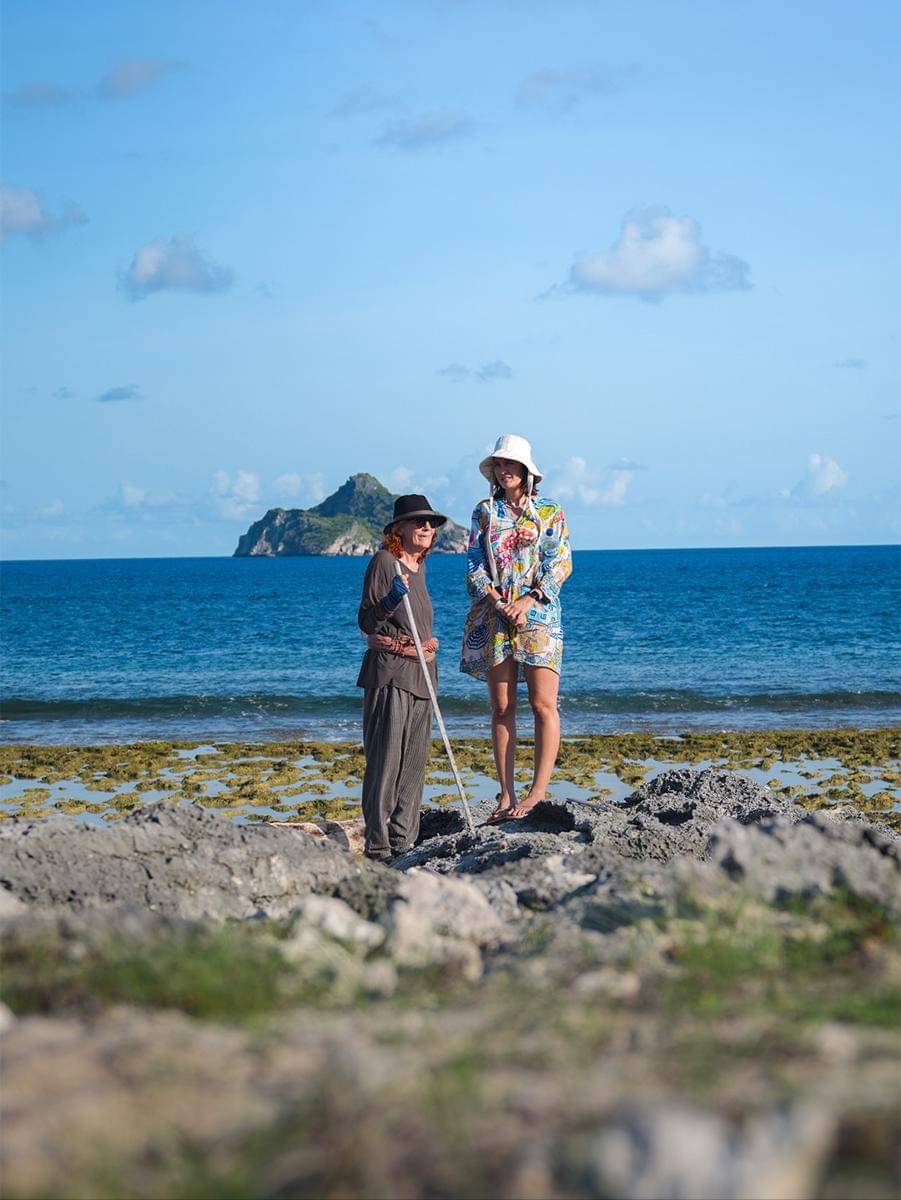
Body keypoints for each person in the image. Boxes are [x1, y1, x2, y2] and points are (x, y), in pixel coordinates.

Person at [460, 434, 572, 822]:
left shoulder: (550, 511)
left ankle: (537, 794)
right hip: (494, 617)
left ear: (526, 470)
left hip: (539, 617)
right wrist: (498, 602)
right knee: (502, 707)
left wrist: (526, 602)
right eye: (499, 464)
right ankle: (506, 796)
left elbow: (561, 563)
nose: (504, 470)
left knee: (543, 705)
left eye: (510, 463)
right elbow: (474, 564)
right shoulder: (484, 512)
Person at [357, 493, 446, 860]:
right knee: (386, 763)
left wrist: (428, 645)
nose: (426, 527)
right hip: (391, 674)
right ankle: (378, 848)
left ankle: (403, 844)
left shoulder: (419, 566)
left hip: (423, 675)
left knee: (412, 766)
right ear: (399, 529)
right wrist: (391, 599)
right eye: (418, 521)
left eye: (431, 523)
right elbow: (367, 622)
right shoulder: (385, 563)